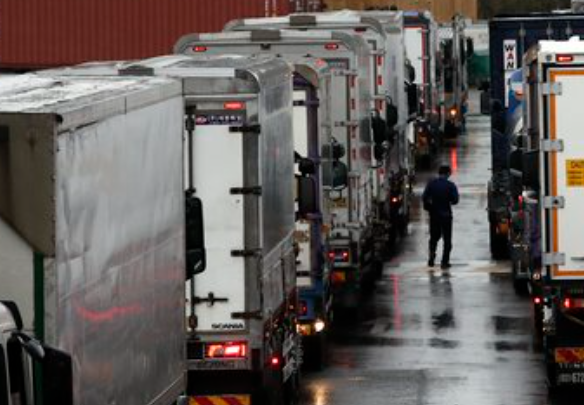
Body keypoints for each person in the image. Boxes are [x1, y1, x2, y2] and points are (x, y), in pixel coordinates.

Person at [422, 165, 459, 269]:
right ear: (448, 173)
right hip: (446, 216)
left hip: (434, 215)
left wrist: (429, 206)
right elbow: (455, 200)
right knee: (447, 240)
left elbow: (424, 197)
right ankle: (444, 262)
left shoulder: (431, 184)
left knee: (434, 237)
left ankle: (431, 257)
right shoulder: (451, 185)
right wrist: (449, 199)